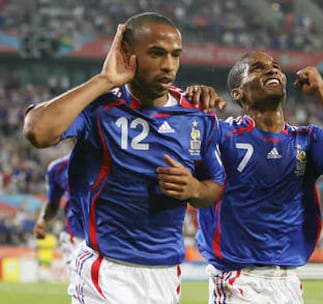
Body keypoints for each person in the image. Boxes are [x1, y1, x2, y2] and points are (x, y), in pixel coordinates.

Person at [23, 12, 225, 304]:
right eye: (157, 54)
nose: (168, 65)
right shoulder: (100, 106)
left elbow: (215, 185)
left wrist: (195, 189)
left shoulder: (197, 114)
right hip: (106, 271)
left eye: (175, 55)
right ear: (128, 54)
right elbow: (37, 132)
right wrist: (105, 79)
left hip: (165, 274)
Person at [193, 51, 323, 303]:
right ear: (238, 93)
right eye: (258, 68)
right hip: (238, 280)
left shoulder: (307, 138)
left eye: (275, 66)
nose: (272, 70)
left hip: (289, 282)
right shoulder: (221, 135)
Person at [34, 154, 84, 288]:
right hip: (76, 237)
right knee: (82, 287)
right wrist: (43, 220)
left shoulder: (111, 160)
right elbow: (53, 203)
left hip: (107, 237)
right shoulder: (58, 168)